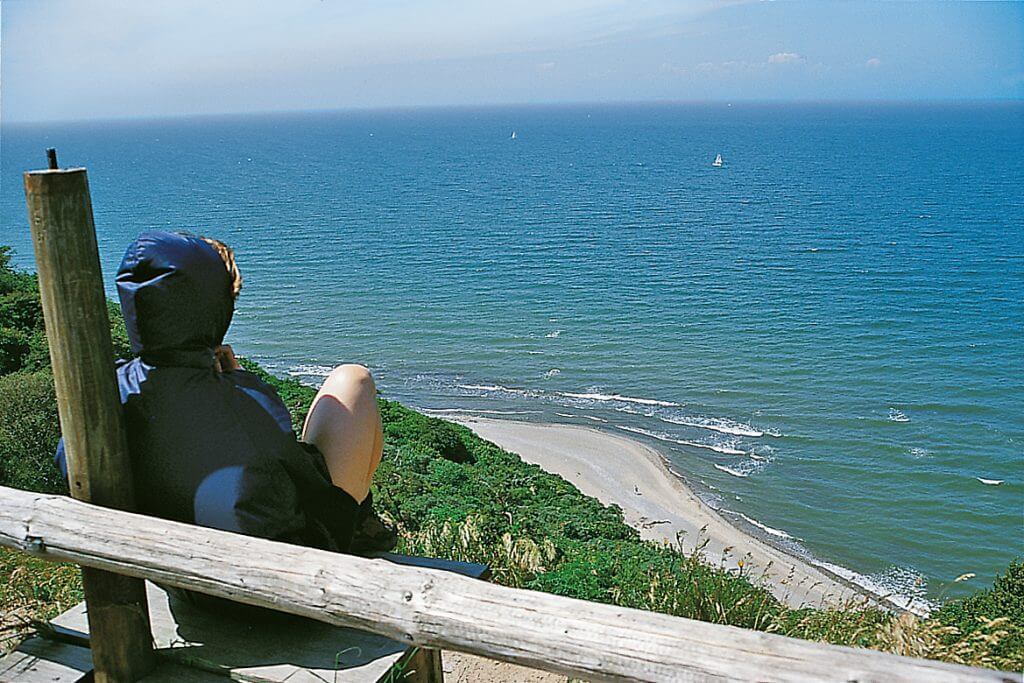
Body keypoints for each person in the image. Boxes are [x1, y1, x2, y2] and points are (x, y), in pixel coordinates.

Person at [56, 231, 394, 568]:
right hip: (283, 583)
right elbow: (298, 476)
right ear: (213, 308)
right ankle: (362, 521)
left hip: (179, 572)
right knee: (353, 380)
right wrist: (240, 383)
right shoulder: (242, 400)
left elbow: (68, 457)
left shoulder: (106, 390)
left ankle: (364, 521)